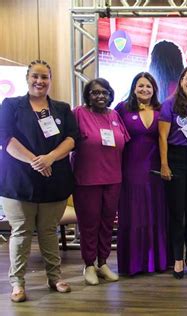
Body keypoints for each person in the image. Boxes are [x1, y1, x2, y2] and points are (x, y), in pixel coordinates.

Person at [0, 60, 78, 302]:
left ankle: (54, 277)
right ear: (27, 78)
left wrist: (51, 158)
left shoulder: (62, 109)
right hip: (18, 181)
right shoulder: (11, 105)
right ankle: (18, 283)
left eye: (44, 77)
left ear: (50, 80)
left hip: (54, 181)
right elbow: (5, 137)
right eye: (35, 76)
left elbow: (72, 138)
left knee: (48, 232)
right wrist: (35, 160)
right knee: (22, 232)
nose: (39, 81)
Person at [71, 78, 130, 285]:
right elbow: (68, 141)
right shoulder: (78, 113)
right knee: (89, 224)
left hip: (113, 178)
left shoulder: (114, 115)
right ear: (88, 95)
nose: (100, 96)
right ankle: (89, 265)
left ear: (110, 95)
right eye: (95, 92)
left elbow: (125, 143)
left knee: (107, 223)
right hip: (86, 179)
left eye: (104, 92)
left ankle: (103, 263)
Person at [115, 72, 168, 275]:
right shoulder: (122, 109)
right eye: (140, 86)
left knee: (155, 214)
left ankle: (156, 262)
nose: (144, 89)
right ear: (134, 88)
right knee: (133, 214)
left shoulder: (161, 110)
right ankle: (133, 264)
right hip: (130, 168)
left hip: (155, 170)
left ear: (154, 89)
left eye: (149, 86)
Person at [158, 65, 187, 279]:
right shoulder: (169, 104)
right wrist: (164, 164)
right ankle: (178, 259)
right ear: (181, 80)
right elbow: (162, 137)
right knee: (177, 213)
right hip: (175, 158)